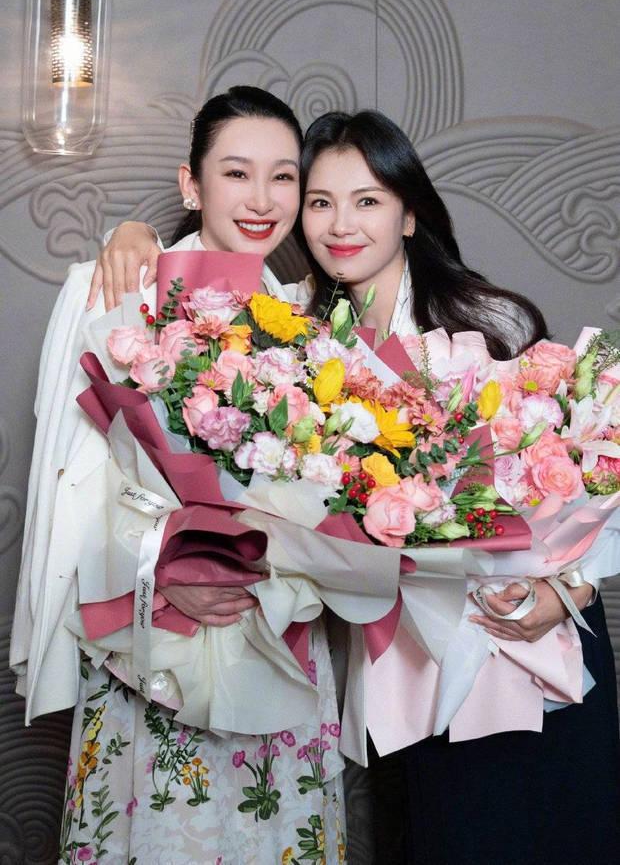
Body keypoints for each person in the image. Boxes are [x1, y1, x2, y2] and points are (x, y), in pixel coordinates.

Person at [95, 107, 620, 865]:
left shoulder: (489, 320)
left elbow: (587, 464)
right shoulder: (287, 332)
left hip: (542, 641)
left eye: (368, 200)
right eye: (320, 201)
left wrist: (570, 589)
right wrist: (134, 235)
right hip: (417, 663)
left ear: (409, 213)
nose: (342, 224)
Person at [11, 87, 346, 865]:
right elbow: (70, 487)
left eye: (283, 177)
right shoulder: (116, 288)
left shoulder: (312, 320)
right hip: (147, 643)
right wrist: (164, 572)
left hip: (277, 633)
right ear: (191, 184)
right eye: (236, 173)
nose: (261, 200)